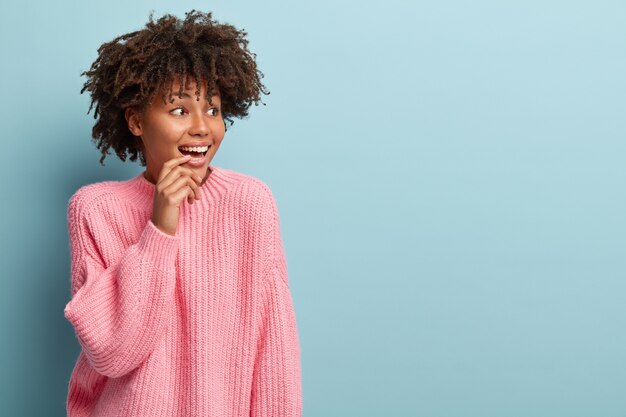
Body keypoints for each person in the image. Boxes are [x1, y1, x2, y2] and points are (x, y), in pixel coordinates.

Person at [63, 10, 302, 416]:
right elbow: (112, 352)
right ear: (136, 120)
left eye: (213, 109)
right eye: (179, 111)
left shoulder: (251, 204)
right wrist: (159, 226)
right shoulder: (95, 210)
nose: (202, 128)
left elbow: (274, 351)